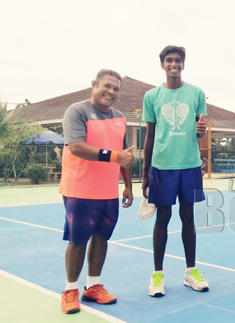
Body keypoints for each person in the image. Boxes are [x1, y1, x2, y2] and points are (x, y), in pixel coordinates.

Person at [59, 69, 135, 314]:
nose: (111, 92)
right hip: (80, 188)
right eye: (107, 86)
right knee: (78, 239)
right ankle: (70, 290)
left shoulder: (120, 117)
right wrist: (115, 156)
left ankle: (93, 286)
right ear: (94, 85)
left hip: (108, 192)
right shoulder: (77, 111)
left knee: (102, 237)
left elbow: (124, 156)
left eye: (116, 89)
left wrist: (128, 186)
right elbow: (77, 147)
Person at [142, 45, 209, 297]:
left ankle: (191, 272)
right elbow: (149, 135)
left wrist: (201, 133)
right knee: (162, 218)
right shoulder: (152, 96)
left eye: (178, 60)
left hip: (190, 165)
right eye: (169, 60)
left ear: (183, 64)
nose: (174, 64)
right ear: (162, 65)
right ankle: (157, 276)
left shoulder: (197, 93)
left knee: (189, 217)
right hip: (162, 166)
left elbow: (200, 129)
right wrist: (146, 173)